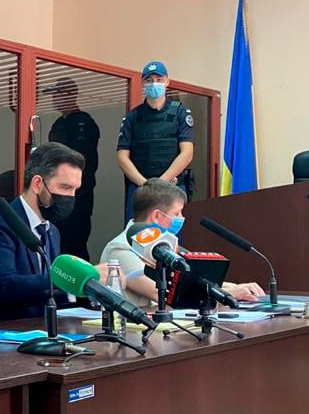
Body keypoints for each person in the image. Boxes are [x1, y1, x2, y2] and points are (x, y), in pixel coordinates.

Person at [100, 179, 263, 309]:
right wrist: (228, 293)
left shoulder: (166, 245)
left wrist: (235, 287)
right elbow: (161, 293)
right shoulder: (120, 248)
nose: (182, 218)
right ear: (157, 216)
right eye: (177, 213)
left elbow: (194, 279)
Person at [0, 142, 87, 323]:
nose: (71, 197)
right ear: (37, 184)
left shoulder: (52, 231)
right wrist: (69, 281)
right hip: (1, 331)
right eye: (65, 188)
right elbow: (5, 286)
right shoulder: (1, 223)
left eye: (75, 190)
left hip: (40, 329)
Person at [116, 61, 194, 222]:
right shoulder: (132, 117)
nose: (154, 84)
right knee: (137, 233)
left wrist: (160, 184)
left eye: (159, 79)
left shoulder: (180, 113)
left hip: (171, 187)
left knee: (171, 234)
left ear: (167, 81)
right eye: (149, 80)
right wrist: (146, 185)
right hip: (140, 188)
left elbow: (187, 153)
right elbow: (122, 157)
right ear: (143, 83)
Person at [46, 77, 100, 260]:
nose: (54, 98)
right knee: (57, 241)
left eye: (57, 93)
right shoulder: (58, 123)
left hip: (78, 194)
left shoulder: (83, 122)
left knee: (74, 241)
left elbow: (81, 159)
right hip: (55, 192)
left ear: (70, 95)